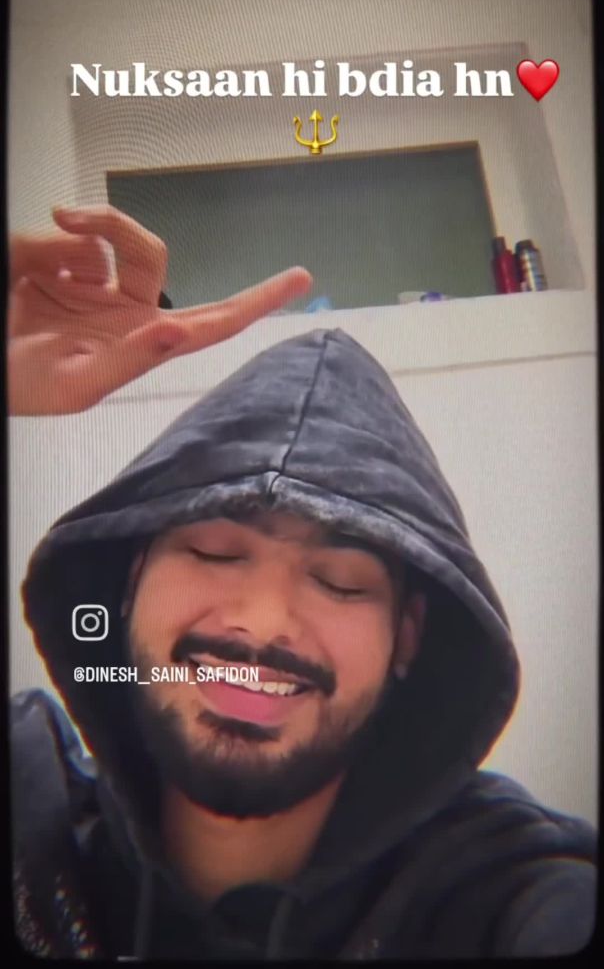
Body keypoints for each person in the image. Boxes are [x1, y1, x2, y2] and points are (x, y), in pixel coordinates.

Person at [10, 209, 596, 959]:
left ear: (406, 637)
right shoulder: (29, 806)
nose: (263, 621)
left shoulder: (516, 894)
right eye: (214, 552)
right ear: (128, 585)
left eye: (341, 582)